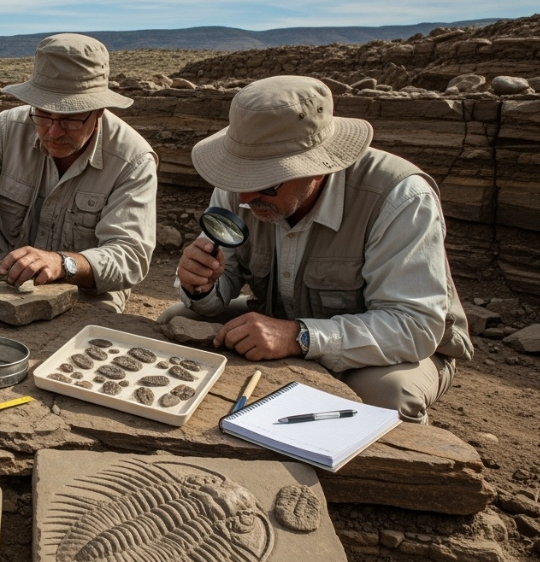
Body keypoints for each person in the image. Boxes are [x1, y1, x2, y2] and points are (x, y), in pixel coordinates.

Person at [165, 75, 474, 423]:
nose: (246, 199)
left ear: (318, 166)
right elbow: (224, 283)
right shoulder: (240, 188)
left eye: (266, 183)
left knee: (387, 398)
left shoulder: (399, 197)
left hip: (393, 347)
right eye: (240, 179)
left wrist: (297, 337)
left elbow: (413, 325)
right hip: (283, 315)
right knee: (175, 320)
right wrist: (200, 285)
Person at [0, 33, 157, 312]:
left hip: (81, 285)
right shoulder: (6, 127)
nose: (53, 131)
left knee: (95, 326)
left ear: (99, 111)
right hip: (3, 255)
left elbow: (130, 255)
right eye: (44, 114)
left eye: (70, 120)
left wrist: (63, 263)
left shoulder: (132, 160)